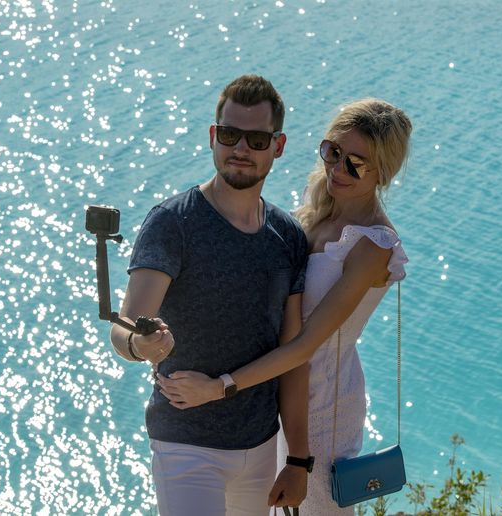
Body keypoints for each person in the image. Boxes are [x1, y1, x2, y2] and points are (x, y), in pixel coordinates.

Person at [158, 98, 412, 514]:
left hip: (323, 405)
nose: (337, 169)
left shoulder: (373, 244)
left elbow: (306, 345)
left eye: (357, 164)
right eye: (333, 152)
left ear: (384, 171)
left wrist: (218, 386)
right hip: (271, 393)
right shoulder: (311, 217)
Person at [110, 74, 312, 515]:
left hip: (261, 446)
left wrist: (298, 458)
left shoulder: (289, 236)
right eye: (230, 134)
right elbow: (125, 328)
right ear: (212, 137)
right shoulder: (172, 223)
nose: (241, 149)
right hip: (185, 444)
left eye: (257, 139)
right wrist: (141, 344)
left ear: (278, 147)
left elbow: (295, 356)